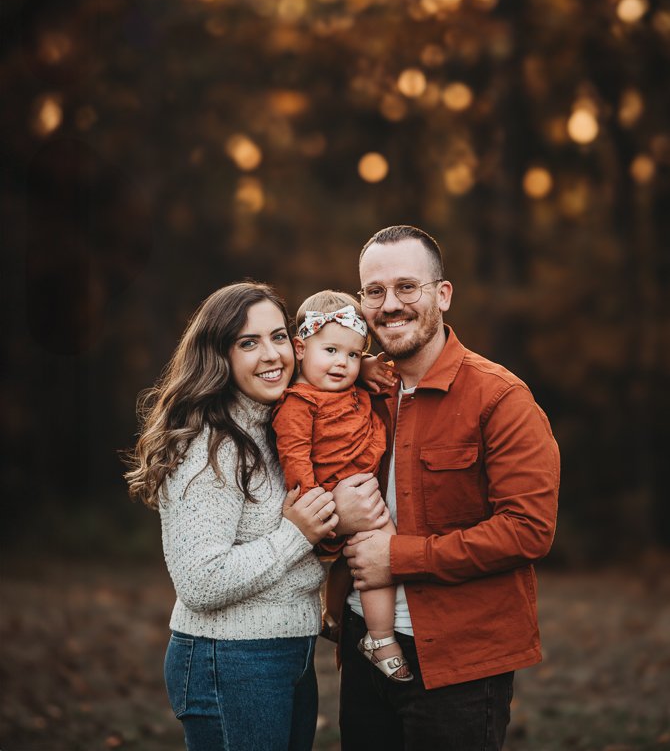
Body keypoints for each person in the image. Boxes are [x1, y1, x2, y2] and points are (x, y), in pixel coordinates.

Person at [331, 225, 560, 751]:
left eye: (407, 287)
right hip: (364, 647)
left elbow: (528, 531)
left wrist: (401, 557)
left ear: (443, 294)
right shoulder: (357, 388)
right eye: (374, 291)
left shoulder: (500, 399)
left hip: (459, 664)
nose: (390, 305)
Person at [124, 281, 340, 751]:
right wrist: (296, 535)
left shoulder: (276, 427)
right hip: (231, 659)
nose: (272, 355)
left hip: (289, 653)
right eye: (249, 342)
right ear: (218, 355)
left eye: (279, 336)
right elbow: (200, 581)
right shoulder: (209, 445)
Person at [272, 290, 412, 682]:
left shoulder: (351, 389)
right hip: (330, 502)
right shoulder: (298, 404)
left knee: (360, 562)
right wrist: (318, 506)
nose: (342, 363)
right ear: (300, 348)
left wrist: (365, 365)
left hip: (361, 492)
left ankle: (334, 616)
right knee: (379, 553)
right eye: (331, 350)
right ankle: (381, 638)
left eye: (352, 355)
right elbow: (296, 457)